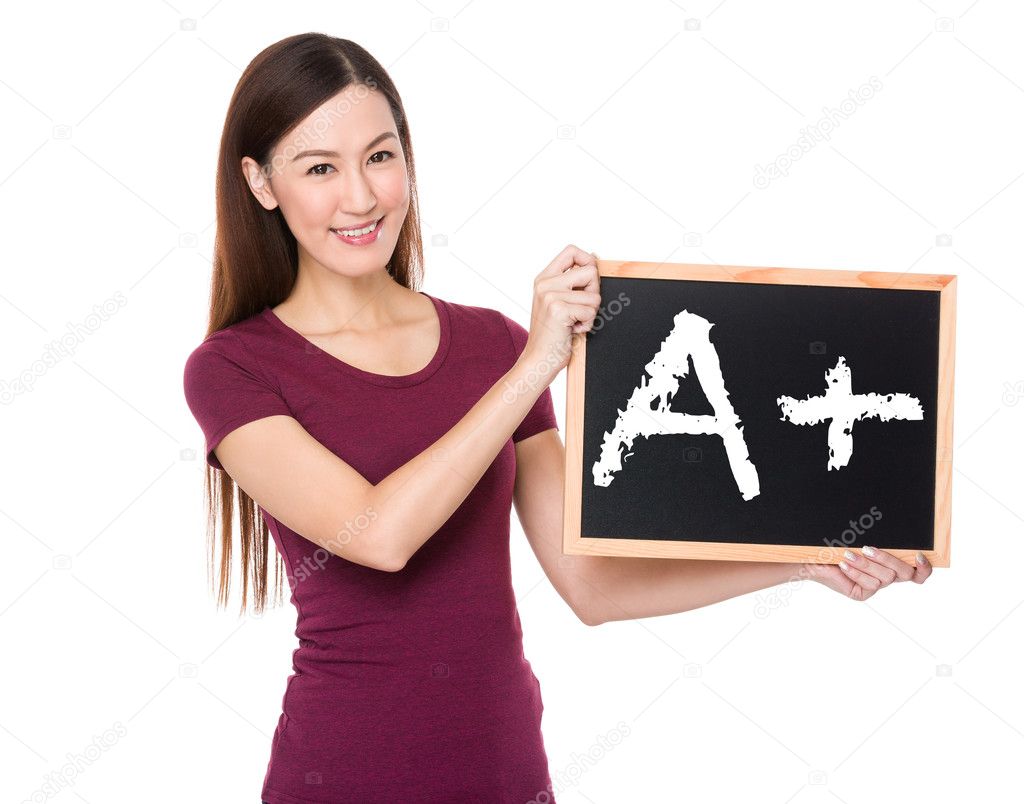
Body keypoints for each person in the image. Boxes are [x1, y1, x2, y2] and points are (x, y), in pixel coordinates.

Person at [183, 33, 933, 804]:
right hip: (341, 777)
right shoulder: (235, 371)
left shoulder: (490, 346)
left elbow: (592, 584)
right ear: (261, 182)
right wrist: (535, 366)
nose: (362, 197)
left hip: (506, 773)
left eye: (380, 156)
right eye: (319, 169)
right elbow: (377, 534)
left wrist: (806, 561)